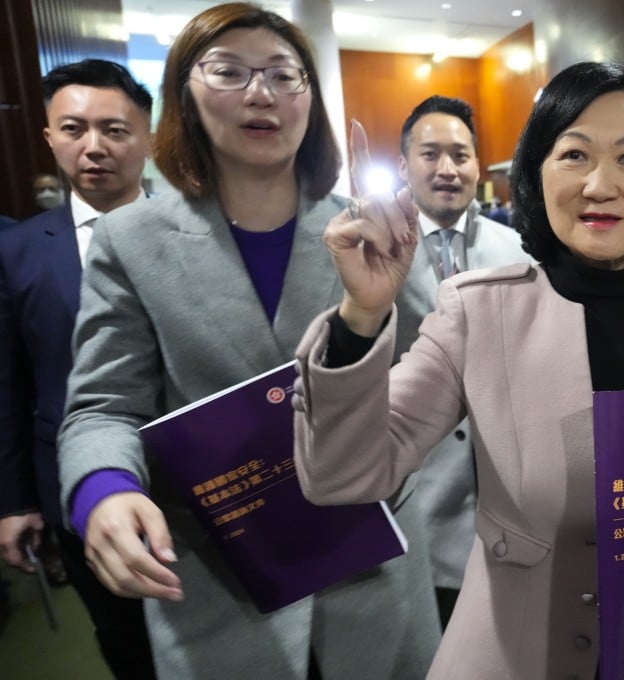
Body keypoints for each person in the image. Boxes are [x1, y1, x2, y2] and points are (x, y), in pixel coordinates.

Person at [292, 61, 624, 680]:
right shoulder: (478, 309)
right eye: (574, 155)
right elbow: (344, 475)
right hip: (514, 651)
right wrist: (361, 315)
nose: (601, 185)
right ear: (536, 171)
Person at [56, 4, 440, 678]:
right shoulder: (129, 239)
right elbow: (104, 406)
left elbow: (433, 377)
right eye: (229, 71)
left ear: (309, 101)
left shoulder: (369, 229)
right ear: (184, 94)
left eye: (283, 75)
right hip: (223, 587)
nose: (260, 93)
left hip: (372, 576)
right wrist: (104, 489)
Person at [0, 58, 156, 679]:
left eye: (115, 130)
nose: (93, 147)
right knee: (123, 640)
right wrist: (14, 501)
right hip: (75, 485)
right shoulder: (15, 251)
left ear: (146, 135)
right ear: (49, 137)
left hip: (193, 477)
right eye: (73, 129)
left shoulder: (203, 231)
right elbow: (9, 382)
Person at [394, 94, 531, 628]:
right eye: (430, 154)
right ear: (404, 164)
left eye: (461, 155)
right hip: (414, 492)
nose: (447, 169)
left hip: (506, 495)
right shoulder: (373, 249)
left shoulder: (521, 250)